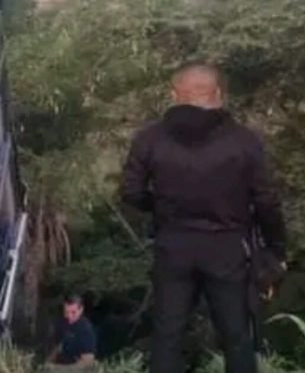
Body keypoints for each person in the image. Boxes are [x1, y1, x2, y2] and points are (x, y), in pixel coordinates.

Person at [120, 61, 287, 373]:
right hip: (228, 249)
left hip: (173, 247)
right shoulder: (244, 141)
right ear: (218, 94)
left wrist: (162, 209)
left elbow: (131, 192)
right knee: (237, 337)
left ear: (174, 94)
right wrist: (277, 249)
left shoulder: (150, 139)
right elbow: (267, 200)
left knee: (167, 337)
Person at [46, 294, 97, 368]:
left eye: (73, 312)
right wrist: (48, 362)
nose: (69, 316)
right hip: (61, 363)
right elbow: (58, 346)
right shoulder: (63, 322)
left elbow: (88, 362)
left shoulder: (86, 330)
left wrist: (58, 368)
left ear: (81, 310)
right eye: (66, 312)